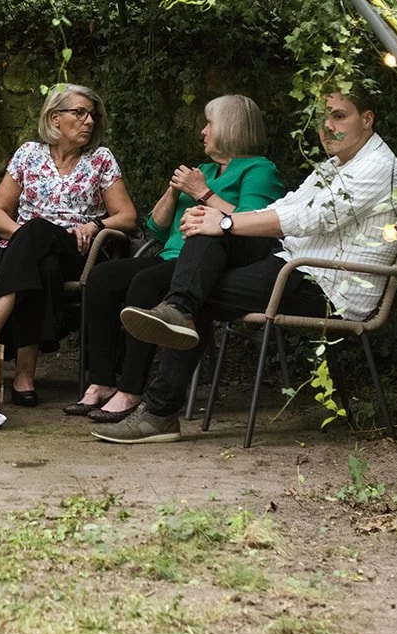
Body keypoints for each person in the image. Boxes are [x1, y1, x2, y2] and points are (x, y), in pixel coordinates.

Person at [100, 90, 397, 445]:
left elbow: (309, 218)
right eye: (324, 118)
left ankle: (158, 410)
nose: (328, 127)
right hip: (293, 265)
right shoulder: (335, 165)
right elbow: (289, 204)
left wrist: (226, 223)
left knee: (204, 276)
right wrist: (216, 219)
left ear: (366, 119)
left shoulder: (377, 168)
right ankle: (177, 315)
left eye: (339, 116)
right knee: (206, 230)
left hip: (329, 285)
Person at [67, 94, 282, 422]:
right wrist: (173, 190)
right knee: (102, 278)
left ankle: (131, 389)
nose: (203, 132)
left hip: (212, 267)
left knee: (144, 283)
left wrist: (202, 192)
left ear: (231, 127)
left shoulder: (259, 169)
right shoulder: (205, 169)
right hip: (170, 257)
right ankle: (102, 381)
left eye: (210, 124)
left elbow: (253, 224)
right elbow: (155, 226)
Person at [0, 84, 138, 406]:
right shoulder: (29, 154)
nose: (89, 121)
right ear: (55, 118)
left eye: (92, 115)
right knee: (42, 264)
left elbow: (128, 216)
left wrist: (96, 223)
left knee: (36, 234)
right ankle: (24, 377)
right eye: (80, 113)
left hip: (78, 251)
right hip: (30, 254)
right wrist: (24, 237)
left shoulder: (100, 159)